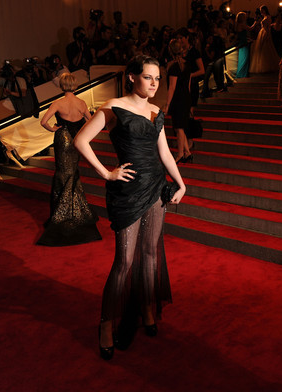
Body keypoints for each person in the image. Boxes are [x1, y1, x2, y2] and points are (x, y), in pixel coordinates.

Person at [74, 55, 186, 360]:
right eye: (148, 77)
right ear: (132, 77)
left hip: (156, 187)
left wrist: (181, 182)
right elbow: (81, 140)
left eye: (158, 78)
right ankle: (106, 324)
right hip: (128, 192)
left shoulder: (156, 111)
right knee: (123, 262)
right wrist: (107, 173)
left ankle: (147, 309)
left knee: (150, 253)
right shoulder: (114, 107)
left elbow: (163, 151)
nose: (154, 84)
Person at [37, 73, 101, 246]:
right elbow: (92, 120)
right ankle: (75, 211)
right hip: (78, 139)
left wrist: (53, 129)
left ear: (62, 86)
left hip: (63, 138)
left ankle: (61, 214)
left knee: (62, 173)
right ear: (75, 85)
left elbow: (43, 121)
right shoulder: (81, 103)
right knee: (73, 172)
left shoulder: (58, 103)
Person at [165, 39, 198, 163]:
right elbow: (188, 86)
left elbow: (172, 88)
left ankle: (180, 154)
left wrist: (167, 104)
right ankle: (187, 153)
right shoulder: (187, 65)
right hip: (186, 98)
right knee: (181, 127)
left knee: (179, 128)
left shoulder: (173, 67)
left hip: (178, 99)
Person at [250, 5, 280, 73]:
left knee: (266, 49)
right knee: (262, 49)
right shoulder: (264, 17)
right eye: (261, 11)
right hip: (262, 32)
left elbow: (268, 27)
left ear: (265, 10)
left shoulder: (268, 17)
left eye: (262, 10)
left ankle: (267, 65)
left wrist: (267, 35)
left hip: (265, 32)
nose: (261, 12)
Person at [235, 12, 251, 78]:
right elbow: (250, 28)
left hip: (242, 42)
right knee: (244, 59)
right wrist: (256, 23)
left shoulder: (238, 24)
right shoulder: (242, 25)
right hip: (243, 43)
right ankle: (242, 74)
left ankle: (243, 74)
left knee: (243, 59)